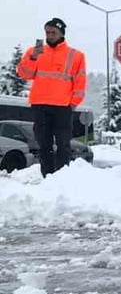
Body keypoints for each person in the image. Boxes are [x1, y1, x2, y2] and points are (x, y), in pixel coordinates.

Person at [16, 18, 87, 177]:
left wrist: (73, 104)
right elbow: (23, 74)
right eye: (47, 32)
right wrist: (32, 57)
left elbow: (80, 82)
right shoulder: (35, 51)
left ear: (62, 33)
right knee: (43, 145)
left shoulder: (76, 55)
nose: (50, 35)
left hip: (63, 107)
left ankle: (61, 178)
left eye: (53, 32)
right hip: (40, 105)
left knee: (63, 144)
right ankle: (47, 177)